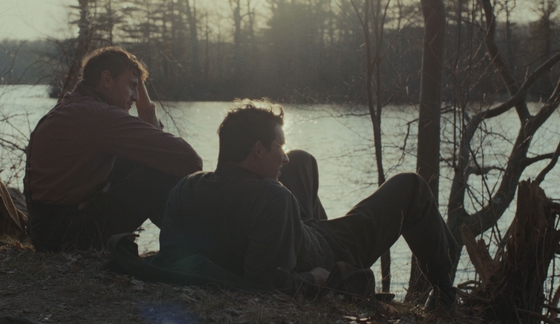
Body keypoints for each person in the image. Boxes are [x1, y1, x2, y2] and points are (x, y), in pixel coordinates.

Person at [154, 100, 457, 312]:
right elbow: (268, 285)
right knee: (411, 186)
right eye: (278, 147)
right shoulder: (274, 198)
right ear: (258, 150)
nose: (283, 157)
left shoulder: (187, 187)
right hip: (330, 251)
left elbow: (169, 255)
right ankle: (445, 293)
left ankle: (318, 223)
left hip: (292, 230)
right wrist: (315, 278)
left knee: (301, 160)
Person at [23, 46, 202, 252]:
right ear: (107, 80)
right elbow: (189, 159)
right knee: (160, 175)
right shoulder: (99, 116)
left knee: (142, 159)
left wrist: (145, 107)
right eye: (132, 85)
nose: (136, 96)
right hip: (66, 238)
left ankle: (192, 249)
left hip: (46, 233)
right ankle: (197, 251)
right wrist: (146, 111)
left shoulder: (74, 106)